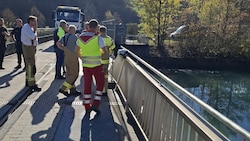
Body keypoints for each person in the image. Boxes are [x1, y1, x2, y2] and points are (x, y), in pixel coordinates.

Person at [76, 19, 109, 114]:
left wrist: (83, 58)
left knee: (87, 85)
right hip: (97, 65)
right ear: (96, 27)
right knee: (100, 83)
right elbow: (105, 51)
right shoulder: (98, 38)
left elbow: (77, 51)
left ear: (89, 26)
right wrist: (99, 52)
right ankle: (95, 104)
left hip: (86, 65)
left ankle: (87, 106)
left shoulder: (80, 37)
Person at [56, 25, 81, 96]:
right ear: (73, 30)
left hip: (66, 57)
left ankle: (73, 89)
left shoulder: (65, 36)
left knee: (69, 74)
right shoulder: (75, 37)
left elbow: (58, 43)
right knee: (74, 74)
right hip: (73, 57)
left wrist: (64, 49)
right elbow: (79, 46)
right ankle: (63, 88)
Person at [21, 15, 41, 92]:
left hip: (31, 48)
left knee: (32, 65)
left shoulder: (30, 28)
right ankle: (32, 84)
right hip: (28, 48)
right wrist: (35, 30)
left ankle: (28, 81)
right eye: (35, 21)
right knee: (30, 66)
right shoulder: (26, 28)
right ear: (31, 21)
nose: (36, 23)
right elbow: (33, 37)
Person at [99, 25, 115, 96]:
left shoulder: (97, 39)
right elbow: (113, 47)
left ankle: (99, 90)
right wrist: (109, 52)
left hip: (98, 60)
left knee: (99, 76)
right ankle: (105, 90)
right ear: (106, 31)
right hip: (106, 60)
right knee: (105, 75)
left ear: (99, 31)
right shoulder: (109, 39)